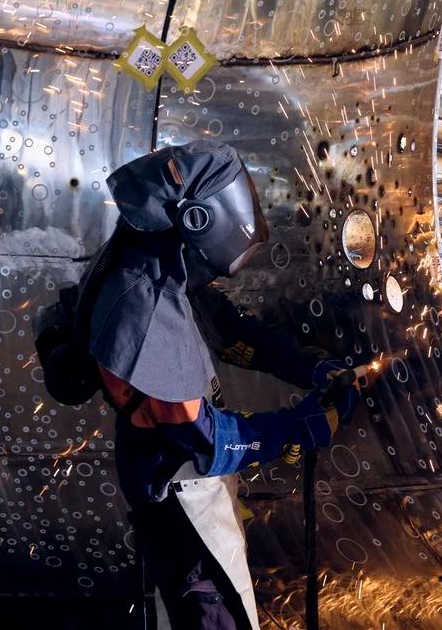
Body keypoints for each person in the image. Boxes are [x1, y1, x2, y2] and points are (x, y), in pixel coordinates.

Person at [84, 140, 360, 630]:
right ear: (198, 219)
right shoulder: (144, 309)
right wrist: (295, 428)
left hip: (187, 485)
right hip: (181, 500)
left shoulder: (161, 263)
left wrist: (308, 367)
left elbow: (231, 333)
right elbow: (209, 440)